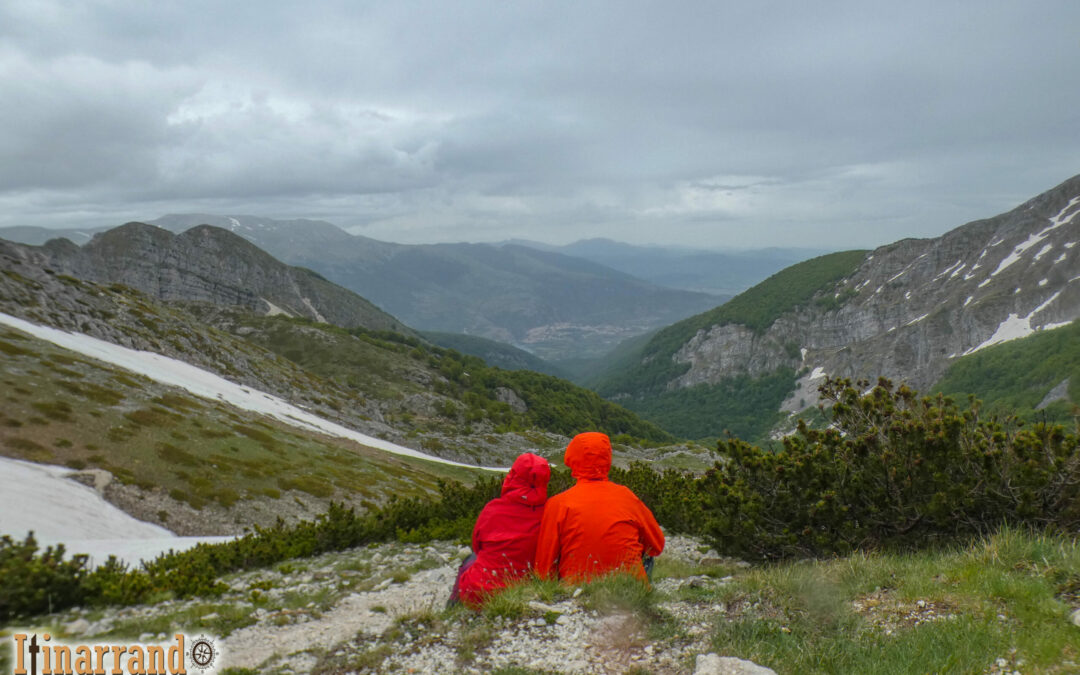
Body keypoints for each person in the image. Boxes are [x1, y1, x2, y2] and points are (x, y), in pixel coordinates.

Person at [535, 432, 664, 583]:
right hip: (630, 589)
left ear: (572, 458)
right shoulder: (627, 496)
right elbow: (657, 545)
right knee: (648, 558)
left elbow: (544, 567)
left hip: (575, 590)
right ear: (607, 458)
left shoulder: (558, 503)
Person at [449, 451, 551, 608]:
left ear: (514, 477)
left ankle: (452, 607)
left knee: (471, 559)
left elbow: (478, 545)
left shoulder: (492, 509)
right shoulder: (549, 513)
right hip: (523, 592)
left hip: (476, 593)